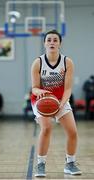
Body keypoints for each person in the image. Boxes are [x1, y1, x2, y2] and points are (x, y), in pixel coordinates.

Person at [30, 30, 82, 177]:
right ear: (45, 43)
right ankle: (40, 165)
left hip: (60, 100)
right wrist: (39, 92)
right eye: (49, 40)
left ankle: (70, 163)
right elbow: (34, 88)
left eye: (55, 40)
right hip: (41, 100)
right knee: (46, 128)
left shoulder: (67, 62)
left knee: (72, 131)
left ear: (60, 43)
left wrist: (61, 104)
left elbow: (68, 89)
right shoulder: (37, 63)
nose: (52, 42)